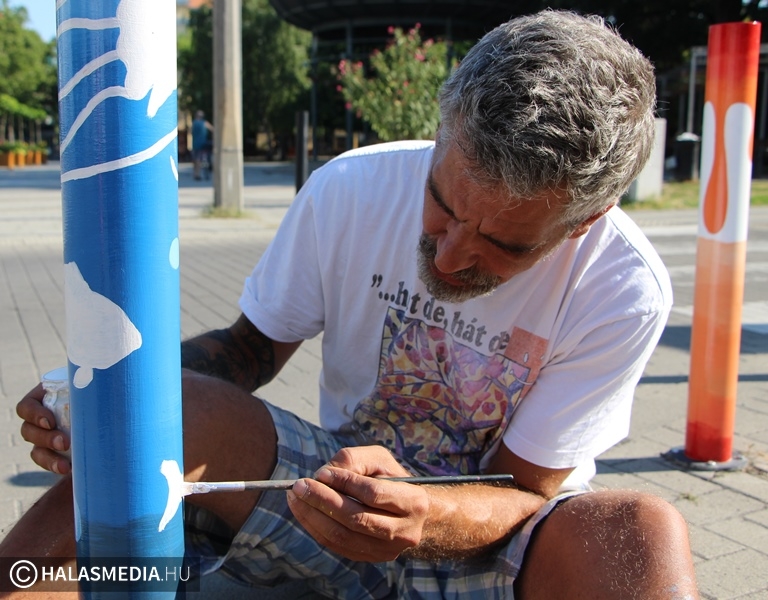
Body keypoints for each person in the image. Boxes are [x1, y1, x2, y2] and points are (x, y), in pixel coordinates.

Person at [6, 10, 699, 599]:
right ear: (442, 131)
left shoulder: (623, 287)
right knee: (176, 410)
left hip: (493, 541)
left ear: (583, 221)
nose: (449, 257)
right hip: (329, 502)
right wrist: (104, 397)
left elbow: (526, 491)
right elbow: (248, 350)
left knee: (641, 532)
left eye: (502, 245)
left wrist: (425, 515)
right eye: (441, 204)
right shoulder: (351, 189)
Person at [191, 110, 213, 180]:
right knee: (200, 159)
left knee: (195, 159)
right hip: (203, 143)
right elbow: (212, 129)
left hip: (195, 144)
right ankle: (200, 173)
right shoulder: (204, 123)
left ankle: (196, 174)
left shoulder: (194, 123)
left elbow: (190, 132)